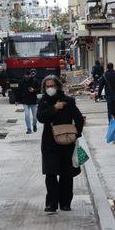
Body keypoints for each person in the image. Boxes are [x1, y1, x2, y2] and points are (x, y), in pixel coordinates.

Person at [37, 75, 85, 213]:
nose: (50, 88)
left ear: (58, 86)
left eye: (52, 85)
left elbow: (79, 118)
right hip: (49, 143)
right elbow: (40, 118)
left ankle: (65, 203)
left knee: (66, 174)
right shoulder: (43, 101)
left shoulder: (68, 101)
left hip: (67, 143)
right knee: (50, 174)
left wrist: (77, 134)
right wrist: (54, 108)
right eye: (47, 86)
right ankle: (51, 203)